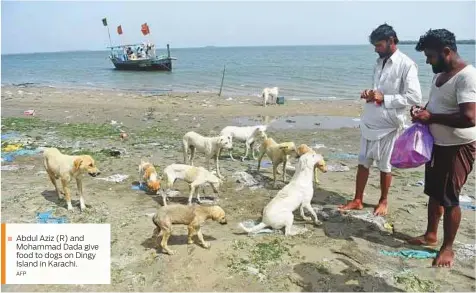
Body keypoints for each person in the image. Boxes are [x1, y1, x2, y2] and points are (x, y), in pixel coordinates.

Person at [338, 23, 422, 216]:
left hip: (390, 124)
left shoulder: (406, 64)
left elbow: (414, 97)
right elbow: (379, 91)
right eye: (375, 45)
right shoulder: (379, 62)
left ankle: (383, 201)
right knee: (363, 161)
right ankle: (358, 199)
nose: (376, 49)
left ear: (391, 41)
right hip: (370, 120)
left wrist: (385, 98)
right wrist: (370, 93)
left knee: (385, 165)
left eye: (379, 45)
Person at [409, 29, 476, 268]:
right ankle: (430, 235)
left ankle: (448, 248)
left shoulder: (467, 76)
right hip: (437, 144)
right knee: (434, 193)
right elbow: (437, 105)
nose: (427, 61)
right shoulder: (441, 74)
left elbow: (470, 118)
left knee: (450, 198)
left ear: (446, 52)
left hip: (457, 147)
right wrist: (422, 111)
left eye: (430, 56)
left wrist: (432, 116)